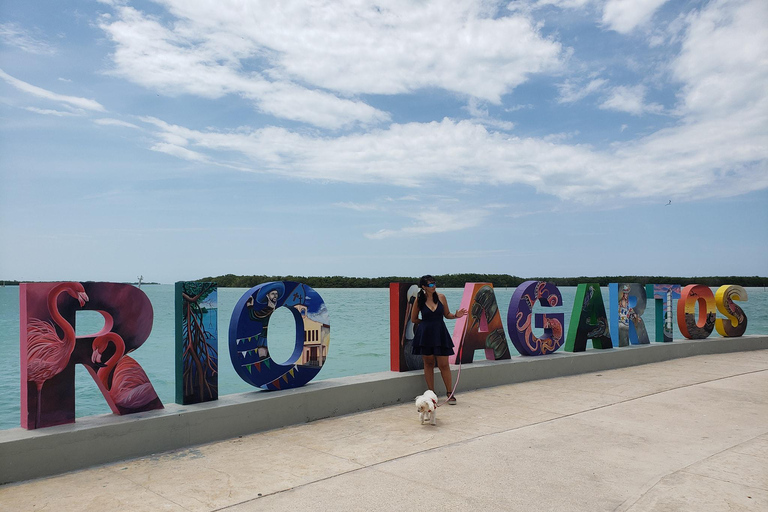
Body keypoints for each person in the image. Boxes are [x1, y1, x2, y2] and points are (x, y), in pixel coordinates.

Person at [410, 275, 467, 404]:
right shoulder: (419, 300)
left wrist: (456, 316)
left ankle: (449, 393)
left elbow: (447, 315)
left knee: (444, 364)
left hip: (440, 333)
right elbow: (414, 319)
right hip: (425, 335)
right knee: (428, 364)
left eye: (434, 284)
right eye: (430, 285)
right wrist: (426, 324)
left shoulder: (441, 297)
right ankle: (431, 394)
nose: (434, 286)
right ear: (424, 287)